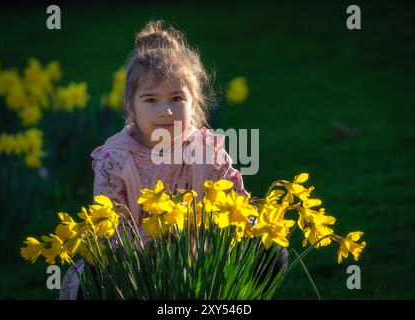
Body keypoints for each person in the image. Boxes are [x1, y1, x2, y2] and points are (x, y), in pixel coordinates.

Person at [59, 20, 286, 300]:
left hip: (201, 262)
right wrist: (164, 246)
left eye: (176, 97)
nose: (165, 111)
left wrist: (255, 223)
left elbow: (237, 203)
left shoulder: (208, 150)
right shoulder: (115, 160)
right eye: (151, 100)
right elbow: (110, 230)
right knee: (87, 278)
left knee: (271, 248)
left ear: (194, 102)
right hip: (136, 269)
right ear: (131, 107)